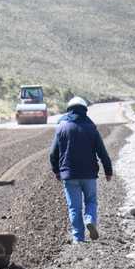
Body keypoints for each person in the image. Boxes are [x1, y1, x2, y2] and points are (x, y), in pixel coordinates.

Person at [49, 96, 113, 243]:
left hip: (69, 175)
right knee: (91, 201)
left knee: (74, 208)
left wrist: (56, 171)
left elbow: (53, 153)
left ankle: (78, 238)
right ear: (84, 109)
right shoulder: (91, 127)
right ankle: (90, 219)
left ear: (69, 109)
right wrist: (108, 171)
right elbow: (102, 152)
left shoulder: (62, 126)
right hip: (89, 174)